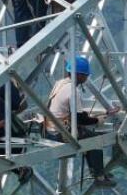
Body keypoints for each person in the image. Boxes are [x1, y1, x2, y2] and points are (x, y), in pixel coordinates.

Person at [45, 56, 117, 187]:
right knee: (95, 140)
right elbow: (80, 119)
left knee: (87, 136)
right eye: (85, 75)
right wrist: (97, 120)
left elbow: (75, 113)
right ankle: (99, 177)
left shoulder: (60, 84)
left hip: (51, 128)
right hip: (61, 133)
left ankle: (97, 171)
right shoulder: (73, 91)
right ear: (79, 75)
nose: (86, 78)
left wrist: (100, 115)